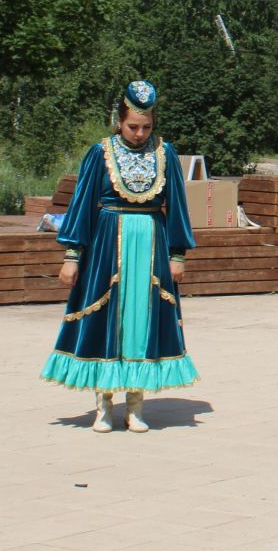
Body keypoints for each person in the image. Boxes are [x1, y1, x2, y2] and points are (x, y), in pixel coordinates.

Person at [45, 81, 199, 433]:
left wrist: (178, 255)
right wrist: (72, 256)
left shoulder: (165, 153)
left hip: (151, 243)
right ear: (118, 121)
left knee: (142, 320)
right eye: (132, 126)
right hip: (106, 244)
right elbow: (82, 205)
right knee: (107, 319)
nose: (139, 133)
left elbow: (175, 206)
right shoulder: (99, 153)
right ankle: (102, 405)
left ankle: (136, 405)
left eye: (146, 127)